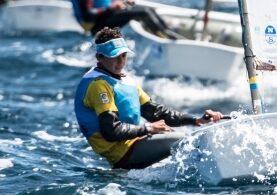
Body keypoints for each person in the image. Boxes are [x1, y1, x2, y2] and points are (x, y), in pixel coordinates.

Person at [74, 27, 222, 169]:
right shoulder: (98, 85)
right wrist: (149, 128)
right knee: (190, 142)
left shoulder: (124, 80)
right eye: (114, 57)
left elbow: (155, 112)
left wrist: (195, 120)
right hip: (123, 153)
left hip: (135, 144)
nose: (121, 62)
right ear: (99, 57)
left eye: (123, 55)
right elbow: (111, 131)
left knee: (184, 137)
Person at [71, 0, 177, 37]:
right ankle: (165, 36)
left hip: (108, 14)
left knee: (149, 10)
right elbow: (88, 15)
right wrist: (110, 7)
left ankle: (167, 30)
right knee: (144, 13)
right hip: (96, 24)